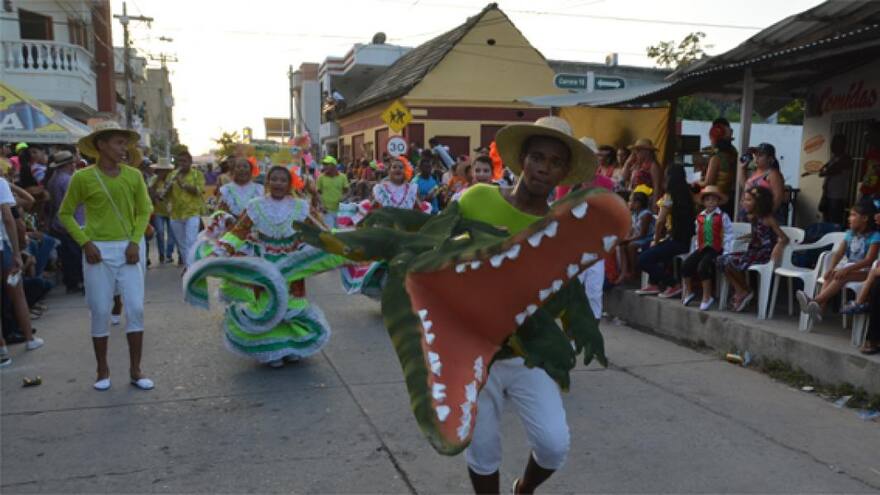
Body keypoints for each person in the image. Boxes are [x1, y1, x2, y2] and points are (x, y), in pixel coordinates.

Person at [294, 116, 627, 494]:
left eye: (555, 162)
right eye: (538, 157)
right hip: (469, 350)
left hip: (527, 355)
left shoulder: (559, 227)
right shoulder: (478, 198)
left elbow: (563, 288)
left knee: (554, 445)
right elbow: (430, 241)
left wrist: (576, 326)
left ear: (564, 172)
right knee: (483, 450)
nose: (544, 168)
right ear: (522, 159)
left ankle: (524, 489)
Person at [183, 166, 345, 368]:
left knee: (292, 306)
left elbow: (320, 231)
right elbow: (238, 232)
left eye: (282, 180)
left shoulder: (301, 207)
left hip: (291, 265)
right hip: (264, 266)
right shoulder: (256, 206)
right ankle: (272, 351)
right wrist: (218, 253)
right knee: (268, 306)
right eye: (274, 179)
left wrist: (341, 243)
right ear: (268, 182)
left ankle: (292, 347)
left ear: (289, 184)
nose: (278, 183)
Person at [58, 120, 153, 391]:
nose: (124, 148)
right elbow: (65, 213)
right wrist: (85, 243)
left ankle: (136, 370)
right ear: (101, 145)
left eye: (126, 143)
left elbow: (144, 210)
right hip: (97, 250)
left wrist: (134, 242)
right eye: (119, 143)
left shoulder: (133, 176)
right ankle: (102, 369)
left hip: (129, 248)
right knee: (100, 310)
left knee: (135, 308)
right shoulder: (82, 177)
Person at [797, 201, 880, 322]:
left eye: (853, 215)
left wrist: (846, 269)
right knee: (831, 275)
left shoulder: (875, 236)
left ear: (865, 218)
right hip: (850, 269)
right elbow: (839, 253)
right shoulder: (850, 234)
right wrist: (831, 268)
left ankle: (814, 301)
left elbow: (869, 260)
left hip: (866, 272)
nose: (849, 218)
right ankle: (819, 310)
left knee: (841, 276)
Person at [717, 186, 789, 312]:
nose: (744, 203)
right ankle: (742, 290)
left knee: (731, 261)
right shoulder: (750, 217)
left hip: (764, 253)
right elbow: (753, 235)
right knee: (722, 260)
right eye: (744, 200)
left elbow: (784, 238)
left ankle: (745, 291)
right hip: (752, 250)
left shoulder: (768, 219)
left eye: (749, 200)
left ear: (759, 203)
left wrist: (778, 246)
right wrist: (737, 240)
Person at [636, 165, 696, 297]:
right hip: (686, 241)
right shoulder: (689, 194)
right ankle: (653, 283)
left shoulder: (669, 196)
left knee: (643, 258)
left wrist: (656, 240)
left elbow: (660, 221)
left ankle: (673, 284)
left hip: (676, 241)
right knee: (648, 249)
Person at [1, 174, 44, 357]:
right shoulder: (0, 183)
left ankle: (2, 348)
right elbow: (8, 218)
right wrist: (17, 252)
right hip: (2, 247)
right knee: (17, 295)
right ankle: (29, 339)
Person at [680, 185, 733, 311]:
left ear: (718, 201)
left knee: (703, 267)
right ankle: (689, 291)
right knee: (686, 265)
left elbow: (729, 234)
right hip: (702, 248)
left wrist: (727, 251)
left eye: (714, 200)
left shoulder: (723, 216)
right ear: (703, 202)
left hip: (716, 248)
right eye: (708, 200)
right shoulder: (700, 217)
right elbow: (698, 233)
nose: (711, 202)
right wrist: (696, 249)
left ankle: (707, 296)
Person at [45, 150, 84, 293]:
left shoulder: (53, 179)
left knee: (67, 256)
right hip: (72, 220)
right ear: (69, 164)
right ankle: (78, 280)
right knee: (76, 254)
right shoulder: (67, 180)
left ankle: (71, 282)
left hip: (58, 222)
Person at [168, 150, 205, 268]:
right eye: (179, 161)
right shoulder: (172, 175)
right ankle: (188, 265)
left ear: (190, 162)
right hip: (176, 213)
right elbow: (167, 195)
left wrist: (182, 184)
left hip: (192, 213)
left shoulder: (197, 174)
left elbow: (199, 191)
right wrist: (165, 189)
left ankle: (191, 269)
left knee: (191, 241)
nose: (181, 164)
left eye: (184, 161)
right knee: (181, 244)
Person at [695, 118, 737, 217]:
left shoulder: (717, 158)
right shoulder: (733, 153)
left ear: (714, 140)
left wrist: (696, 182)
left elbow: (708, 182)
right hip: (729, 197)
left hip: (715, 199)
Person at [738, 143, 785, 222]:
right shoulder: (755, 172)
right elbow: (745, 186)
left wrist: (766, 216)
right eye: (755, 155)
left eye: (760, 155)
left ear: (770, 159)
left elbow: (778, 197)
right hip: (749, 213)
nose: (756, 158)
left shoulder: (773, 174)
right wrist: (742, 168)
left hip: (763, 215)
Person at [615, 190, 654, 284]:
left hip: (648, 238)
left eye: (631, 201)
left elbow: (643, 234)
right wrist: (625, 239)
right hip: (638, 237)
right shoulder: (634, 214)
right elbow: (631, 230)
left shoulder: (646, 214)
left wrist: (628, 240)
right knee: (622, 245)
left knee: (631, 246)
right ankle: (624, 272)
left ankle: (634, 272)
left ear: (638, 203)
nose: (629, 203)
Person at [147, 158, 177, 264]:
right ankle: (161, 254)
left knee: (171, 235)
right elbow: (149, 191)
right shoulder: (154, 179)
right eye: (161, 170)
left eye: (165, 170)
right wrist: (156, 182)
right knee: (159, 232)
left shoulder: (172, 180)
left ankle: (169, 254)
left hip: (170, 210)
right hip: (158, 211)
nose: (163, 172)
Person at [818, 134, 853, 225]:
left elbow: (829, 170)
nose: (832, 146)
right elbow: (823, 170)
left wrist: (824, 171)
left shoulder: (846, 158)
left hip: (837, 196)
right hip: (828, 194)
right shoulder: (834, 158)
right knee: (826, 221)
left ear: (842, 145)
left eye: (835, 143)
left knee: (834, 223)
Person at [623, 138, 663, 206]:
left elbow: (657, 187)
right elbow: (624, 177)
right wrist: (627, 163)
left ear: (647, 152)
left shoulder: (653, 165)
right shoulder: (636, 164)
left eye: (638, 150)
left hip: (646, 200)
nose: (636, 152)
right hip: (634, 198)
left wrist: (655, 205)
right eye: (635, 150)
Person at [316, 155, 349, 227]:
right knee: (330, 231)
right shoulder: (321, 178)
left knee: (338, 231)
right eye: (324, 165)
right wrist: (321, 205)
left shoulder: (343, 177)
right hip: (327, 210)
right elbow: (318, 193)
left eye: (327, 164)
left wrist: (344, 198)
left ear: (334, 165)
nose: (324, 167)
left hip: (340, 210)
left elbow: (347, 191)